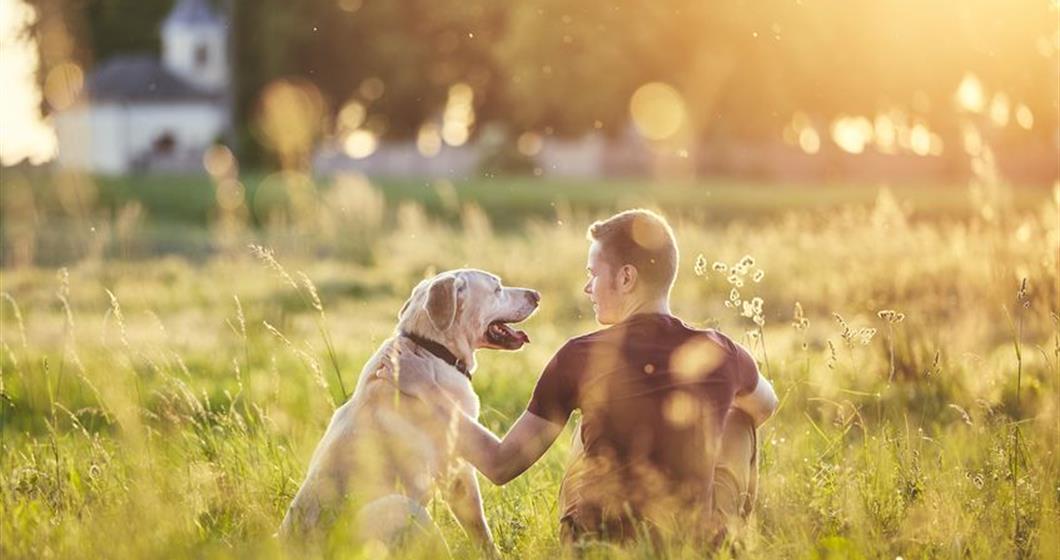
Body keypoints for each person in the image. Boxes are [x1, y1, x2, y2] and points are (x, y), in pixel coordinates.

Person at [379, 209, 778, 545]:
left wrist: (427, 393)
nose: (588, 287)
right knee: (739, 419)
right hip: (685, 546)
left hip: (596, 546)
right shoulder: (721, 351)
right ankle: (729, 540)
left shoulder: (580, 355)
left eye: (593, 274)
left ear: (625, 278)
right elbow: (766, 406)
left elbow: (499, 465)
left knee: (584, 421)